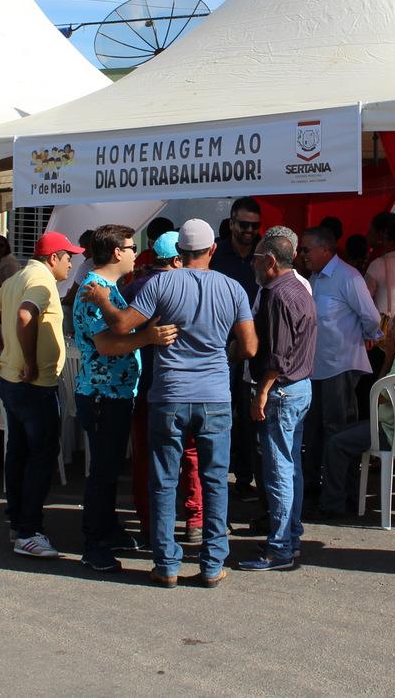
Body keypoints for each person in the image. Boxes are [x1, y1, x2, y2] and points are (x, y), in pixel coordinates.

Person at [86, 218, 256, 589]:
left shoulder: (162, 283)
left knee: (163, 480)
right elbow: (250, 346)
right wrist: (224, 357)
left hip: (169, 395)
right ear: (213, 250)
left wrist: (103, 300)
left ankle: (166, 565)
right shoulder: (233, 288)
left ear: (179, 253)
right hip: (215, 397)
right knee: (214, 480)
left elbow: (121, 325)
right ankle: (212, 565)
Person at [72, 224, 177, 573]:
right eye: (132, 247)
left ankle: (109, 530)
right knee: (102, 472)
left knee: (111, 467)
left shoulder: (108, 289)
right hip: (102, 394)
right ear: (117, 252)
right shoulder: (93, 291)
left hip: (116, 393)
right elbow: (105, 344)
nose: (136, 253)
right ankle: (94, 543)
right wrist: (147, 337)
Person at [0, 230, 82, 560]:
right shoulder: (41, 280)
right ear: (53, 258)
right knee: (40, 456)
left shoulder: (19, 276)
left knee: (19, 451)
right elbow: (25, 315)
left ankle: (18, 520)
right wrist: (30, 361)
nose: (71, 262)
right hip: (33, 384)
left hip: (14, 380)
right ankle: (29, 532)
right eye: (68, 257)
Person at [238, 226, 317, 571]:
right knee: (289, 467)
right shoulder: (296, 287)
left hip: (283, 390)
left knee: (279, 471)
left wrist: (262, 392)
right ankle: (289, 538)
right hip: (298, 388)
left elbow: (279, 356)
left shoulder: (278, 294)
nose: (252, 263)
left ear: (270, 260)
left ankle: (281, 546)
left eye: (257, 257)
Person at [317, 302, 395, 519]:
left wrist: (389, 357)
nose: (389, 329)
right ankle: (351, 498)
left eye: (394, 324)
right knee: (347, 436)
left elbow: (380, 396)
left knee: (336, 442)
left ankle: (332, 504)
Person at [124, 232, 205, 550]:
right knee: (190, 453)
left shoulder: (134, 287)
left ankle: (150, 522)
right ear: (176, 260)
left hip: (145, 385)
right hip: (187, 385)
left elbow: (117, 327)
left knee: (147, 455)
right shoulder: (193, 288)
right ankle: (195, 520)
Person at [298, 226, 382, 508]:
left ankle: (341, 494)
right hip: (316, 367)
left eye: (306, 249)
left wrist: (368, 338)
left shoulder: (348, 277)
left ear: (325, 249)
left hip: (340, 367)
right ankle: (315, 487)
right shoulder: (315, 278)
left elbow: (370, 317)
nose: (302, 255)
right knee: (314, 430)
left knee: (337, 430)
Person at [210, 196, 262, 499]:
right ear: (231, 223)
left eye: (255, 226)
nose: (249, 230)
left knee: (248, 414)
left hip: (252, 346)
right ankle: (216, 478)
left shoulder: (262, 255)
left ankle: (244, 477)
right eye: (244, 224)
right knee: (218, 415)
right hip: (218, 345)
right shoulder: (216, 253)